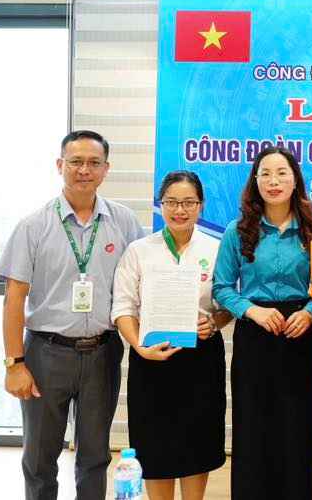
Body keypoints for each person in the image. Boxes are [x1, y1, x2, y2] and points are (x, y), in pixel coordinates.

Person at [0, 130, 144, 500]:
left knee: (95, 456)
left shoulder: (124, 222)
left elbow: (144, 283)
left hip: (103, 351)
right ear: (60, 165)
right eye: (76, 162)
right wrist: (14, 363)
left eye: (94, 163)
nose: (84, 170)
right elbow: (14, 299)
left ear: (106, 169)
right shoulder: (34, 225)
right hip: (46, 353)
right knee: (39, 457)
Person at [111, 170, 231, 500]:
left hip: (201, 359)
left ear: (201, 206)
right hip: (151, 359)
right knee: (155, 446)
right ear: (160, 205)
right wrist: (139, 347)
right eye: (172, 202)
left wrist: (216, 322)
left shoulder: (217, 248)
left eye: (188, 202)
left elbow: (228, 304)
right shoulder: (139, 250)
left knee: (198, 443)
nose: (180, 209)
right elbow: (123, 307)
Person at [213, 147, 312, 500]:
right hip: (254, 336)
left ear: (295, 179)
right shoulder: (238, 230)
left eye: (282, 173)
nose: (274, 181)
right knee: (252, 427)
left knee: (296, 428)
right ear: (255, 180)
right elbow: (222, 287)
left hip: (299, 336)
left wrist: (310, 312)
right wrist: (252, 310)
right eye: (265, 174)